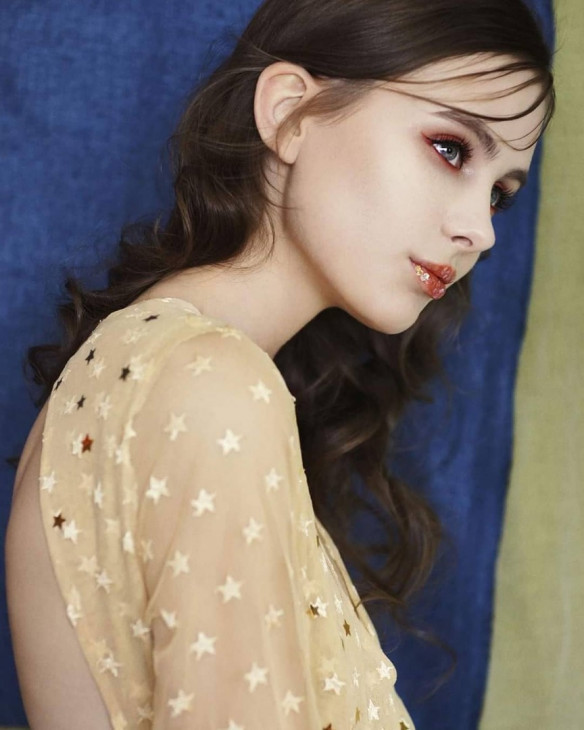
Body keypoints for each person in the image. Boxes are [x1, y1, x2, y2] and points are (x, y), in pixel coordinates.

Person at [5, 0, 555, 727]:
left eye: (501, 195)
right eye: (450, 149)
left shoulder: (146, 369)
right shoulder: (211, 385)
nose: (480, 231)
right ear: (291, 112)